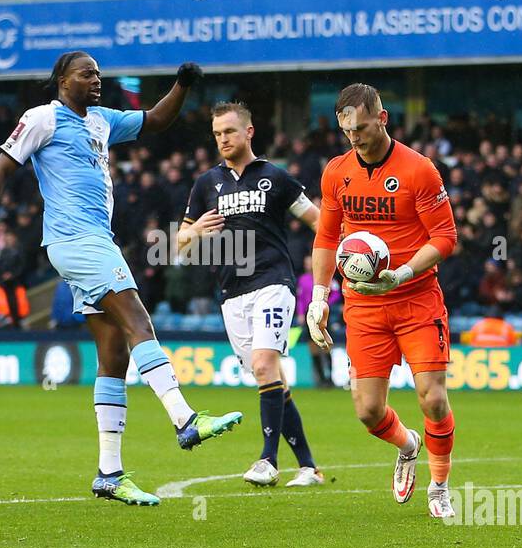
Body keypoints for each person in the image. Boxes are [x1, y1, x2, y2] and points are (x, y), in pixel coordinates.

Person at [0, 52, 241, 507]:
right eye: (86, 73)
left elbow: (154, 121)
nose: (97, 80)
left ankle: (109, 473)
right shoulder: (42, 118)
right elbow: (1, 169)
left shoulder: (102, 120)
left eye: (98, 74)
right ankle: (184, 419)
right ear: (62, 80)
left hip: (92, 241)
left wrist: (182, 85)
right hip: (78, 241)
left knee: (112, 357)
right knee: (139, 322)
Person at [305, 83, 459, 519]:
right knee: (369, 412)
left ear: (383, 117)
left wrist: (403, 273)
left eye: (361, 127)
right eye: (346, 130)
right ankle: (408, 444)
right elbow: (326, 236)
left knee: (432, 398)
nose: (354, 137)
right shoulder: (336, 171)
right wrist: (319, 297)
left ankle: (440, 486)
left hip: (416, 298)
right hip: (364, 306)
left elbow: (446, 237)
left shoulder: (419, 170)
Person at [177, 101, 323, 488]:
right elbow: (180, 245)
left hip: (274, 283)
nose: (223, 139)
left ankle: (267, 460)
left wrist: (342, 257)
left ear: (248, 132)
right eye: (217, 134)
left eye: (229, 131)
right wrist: (195, 233)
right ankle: (309, 466)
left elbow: (317, 221)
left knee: (263, 365)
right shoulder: (207, 184)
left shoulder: (275, 178)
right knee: (270, 377)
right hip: (231, 293)